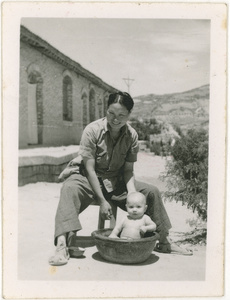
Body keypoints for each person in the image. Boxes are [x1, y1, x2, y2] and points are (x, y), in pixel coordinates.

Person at [49, 91, 192, 266]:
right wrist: (102, 201)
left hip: (117, 182)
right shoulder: (92, 130)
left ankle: (164, 242)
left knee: (151, 191)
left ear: (129, 115)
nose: (115, 119)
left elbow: (128, 171)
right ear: (106, 110)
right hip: (88, 179)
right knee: (69, 187)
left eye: (121, 115)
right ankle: (62, 245)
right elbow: (89, 168)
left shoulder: (131, 135)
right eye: (111, 113)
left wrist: (132, 195)